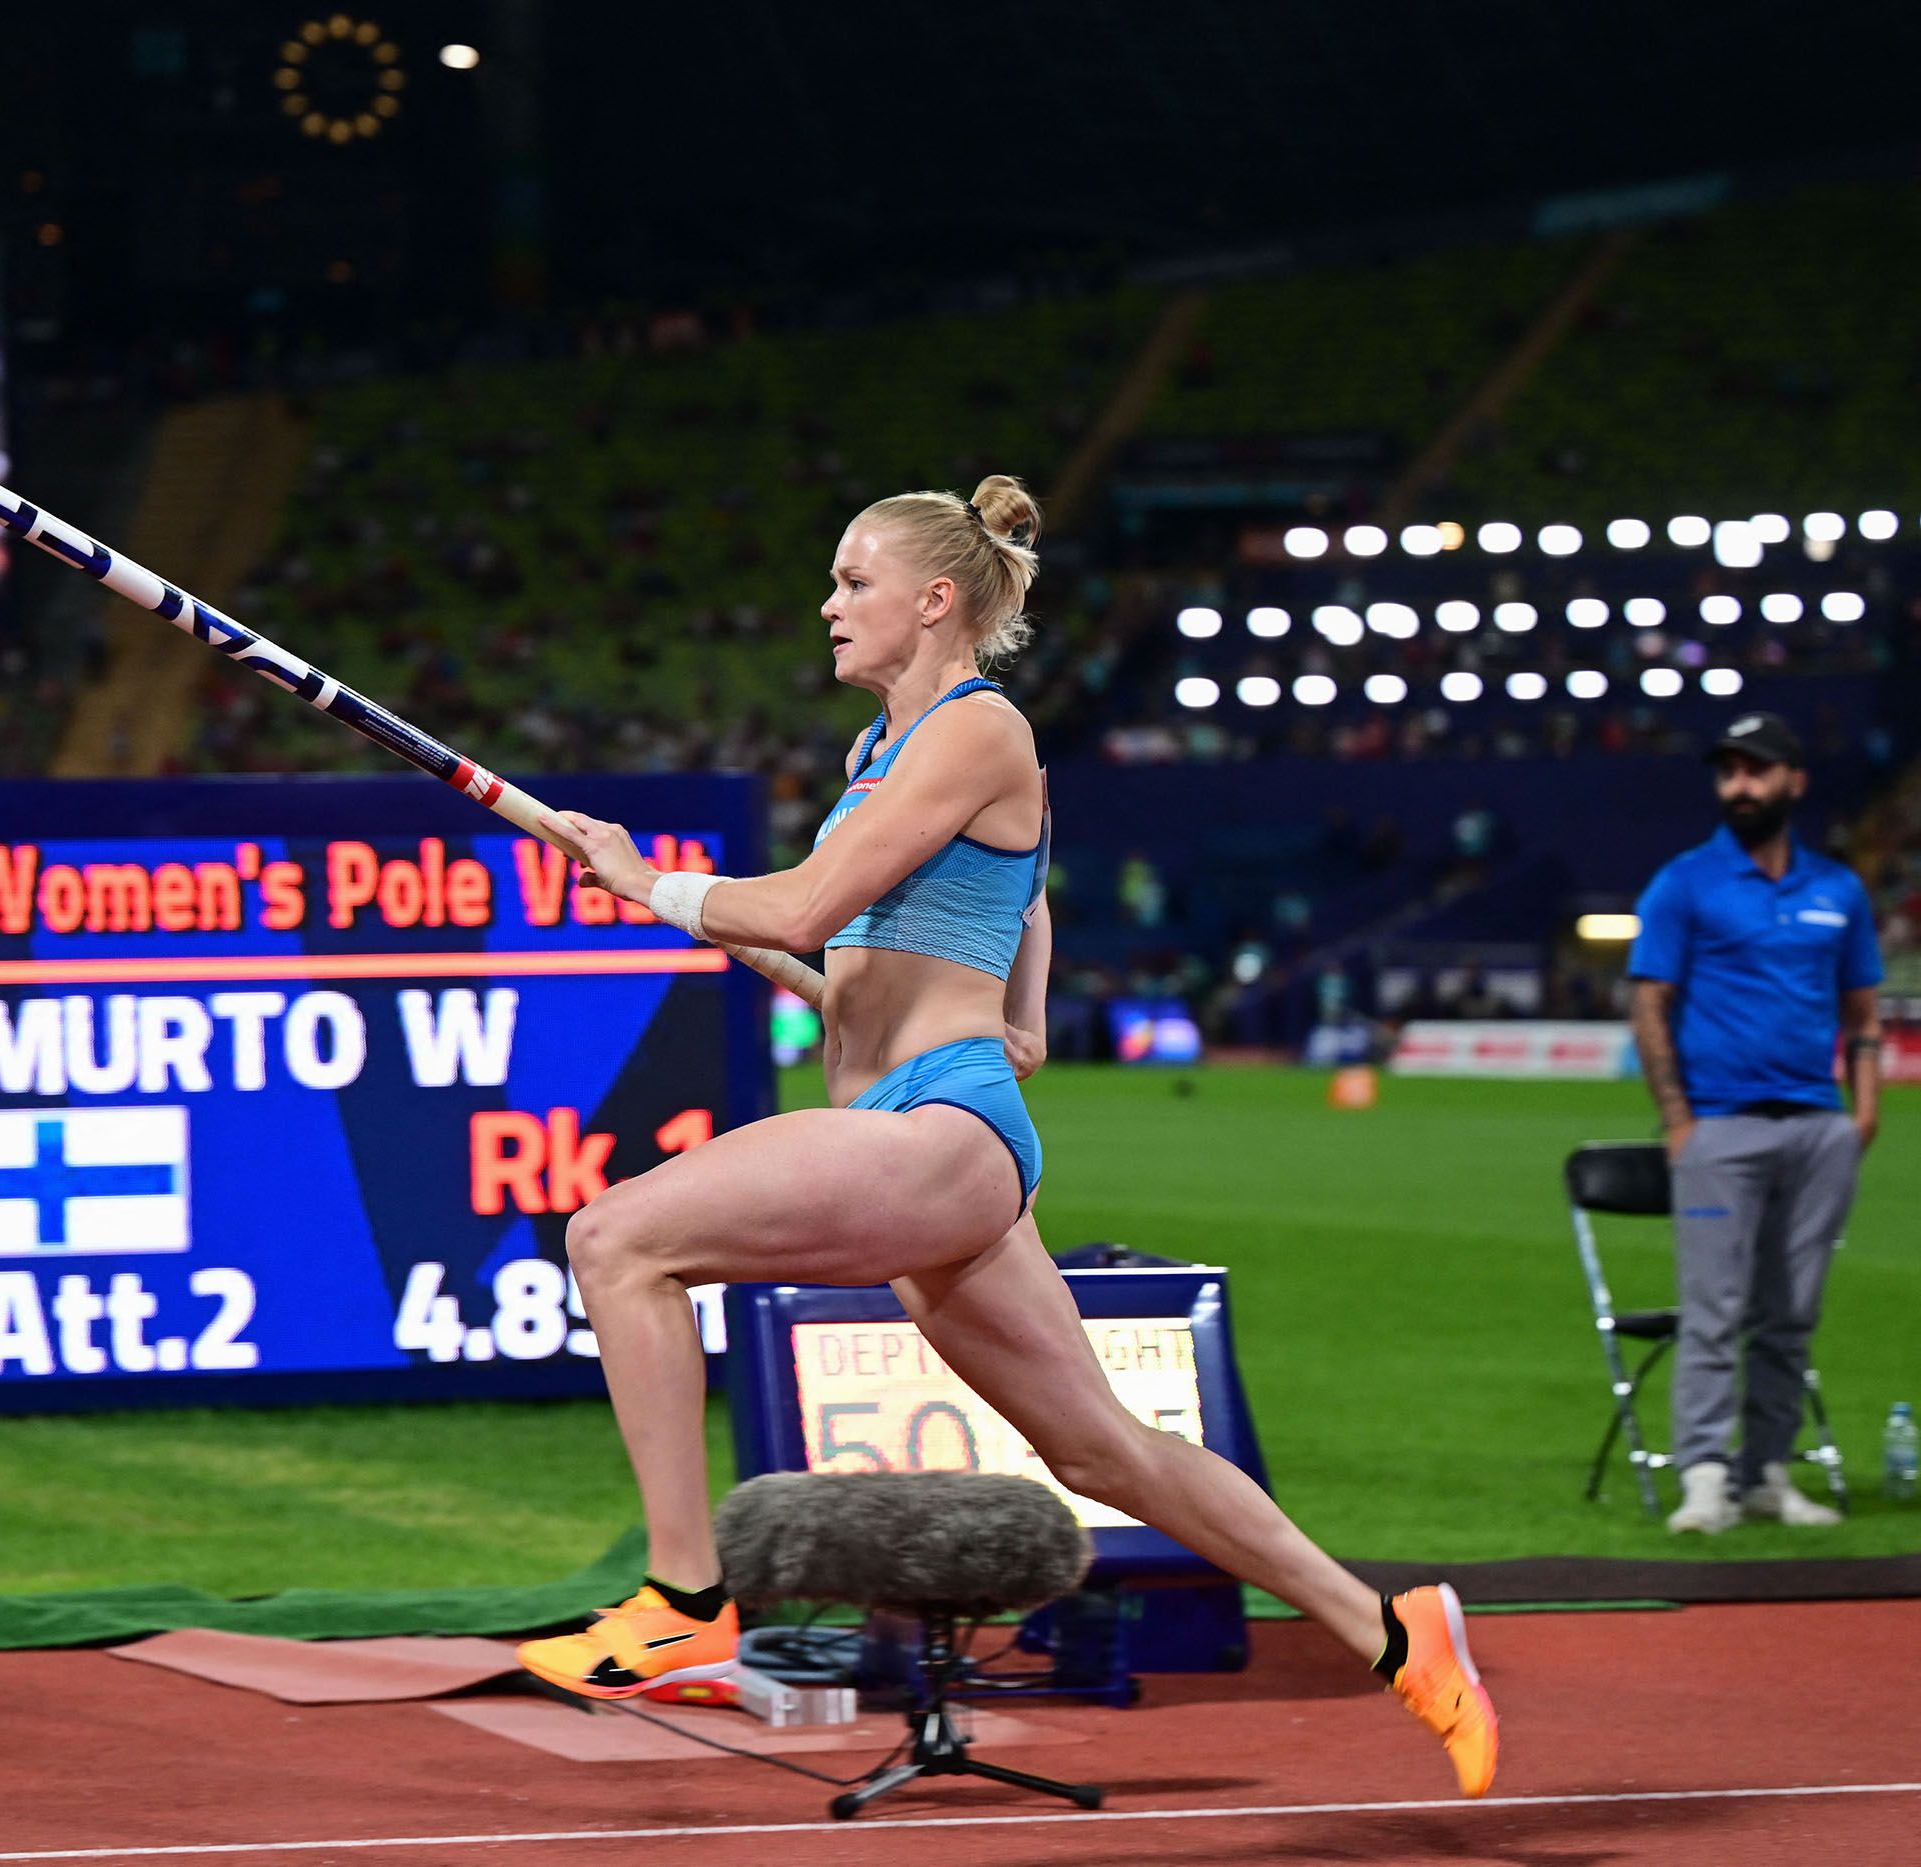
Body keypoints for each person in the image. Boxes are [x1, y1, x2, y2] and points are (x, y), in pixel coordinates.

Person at [520, 476, 1497, 1798]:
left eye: (852, 579)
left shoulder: (977, 731)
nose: (828, 603)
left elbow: (808, 905)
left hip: (936, 1132)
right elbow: (971, 927)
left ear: (934, 599)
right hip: (928, 1123)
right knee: (1102, 1448)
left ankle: (687, 1594)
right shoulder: (895, 752)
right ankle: (1392, 1626)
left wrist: (656, 881)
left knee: (616, 1235)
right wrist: (980, 1006)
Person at [1627, 711, 1884, 1535]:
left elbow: (1862, 1009)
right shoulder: (1684, 881)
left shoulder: (1837, 889)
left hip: (1818, 1127)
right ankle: (1704, 1474)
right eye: (1729, 771)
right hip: (1721, 1128)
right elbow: (1649, 1003)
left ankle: (1767, 1470)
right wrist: (1679, 1122)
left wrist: (1863, 1112)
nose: (1740, 785)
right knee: (1714, 1310)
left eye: (1757, 770)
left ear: (1793, 781)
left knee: (1791, 1313)